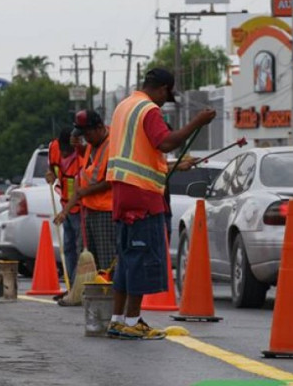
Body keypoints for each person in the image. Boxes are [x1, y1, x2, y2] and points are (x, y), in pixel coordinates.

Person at [105, 68, 216, 340]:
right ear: (163, 88)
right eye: (167, 96)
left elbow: (139, 154)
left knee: (127, 258)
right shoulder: (148, 110)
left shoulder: (124, 107)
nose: (166, 102)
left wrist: (169, 166)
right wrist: (197, 122)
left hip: (122, 192)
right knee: (141, 257)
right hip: (142, 195)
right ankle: (133, 321)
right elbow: (165, 142)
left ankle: (117, 320)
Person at [57, 110, 115, 273]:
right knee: (87, 261)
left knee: (106, 261)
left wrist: (85, 192)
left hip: (105, 211)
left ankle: (107, 289)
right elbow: (91, 162)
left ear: (99, 128)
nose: (86, 138)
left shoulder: (113, 145)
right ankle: (88, 289)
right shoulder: (93, 143)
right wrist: (79, 147)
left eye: (87, 134)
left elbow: (111, 181)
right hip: (89, 208)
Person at [49, 127, 85, 289]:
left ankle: (78, 286)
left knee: (79, 249)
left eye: (67, 150)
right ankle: (71, 286)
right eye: (62, 149)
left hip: (79, 209)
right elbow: (52, 169)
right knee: (68, 248)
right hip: (65, 205)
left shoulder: (81, 159)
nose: (63, 153)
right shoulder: (54, 148)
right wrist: (50, 174)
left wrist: (64, 213)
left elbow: (78, 192)